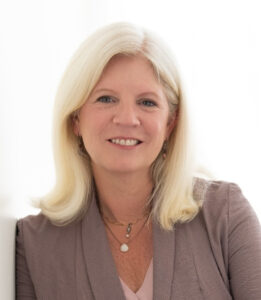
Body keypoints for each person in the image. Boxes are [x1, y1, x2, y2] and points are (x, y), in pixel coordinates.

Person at [16, 22, 261, 300]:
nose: (127, 119)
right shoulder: (34, 243)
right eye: (106, 99)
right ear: (75, 119)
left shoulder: (224, 214)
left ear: (170, 123)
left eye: (147, 103)